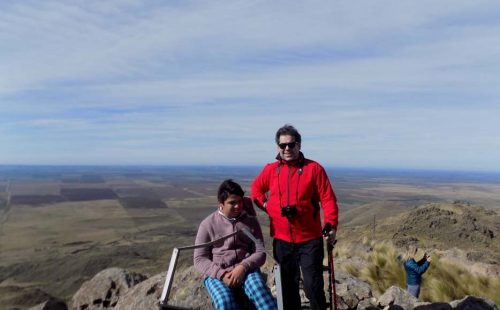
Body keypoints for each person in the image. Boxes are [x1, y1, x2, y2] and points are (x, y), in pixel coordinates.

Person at [251, 124, 339, 310]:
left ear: (299, 145)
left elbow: (328, 199)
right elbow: (256, 191)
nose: (287, 149)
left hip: (309, 240)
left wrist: (331, 224)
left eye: (291, 144)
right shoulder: (271, 170)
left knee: (313, 286)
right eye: (283, 146)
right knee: (287, 288)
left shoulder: (314, 169)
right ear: (278, 147)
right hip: (282, 241)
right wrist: (268, 206)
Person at [193, 179, 277, 310]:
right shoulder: (207, 224)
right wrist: (221, 274)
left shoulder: (250, 220)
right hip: (218, 273)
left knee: (262, 294)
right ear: (220, 204)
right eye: (232, 203)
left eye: (240, 201)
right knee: (224, 302)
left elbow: (260, 252)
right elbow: (199, 259)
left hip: (246, 270)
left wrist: (243, 267)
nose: (238, 206)